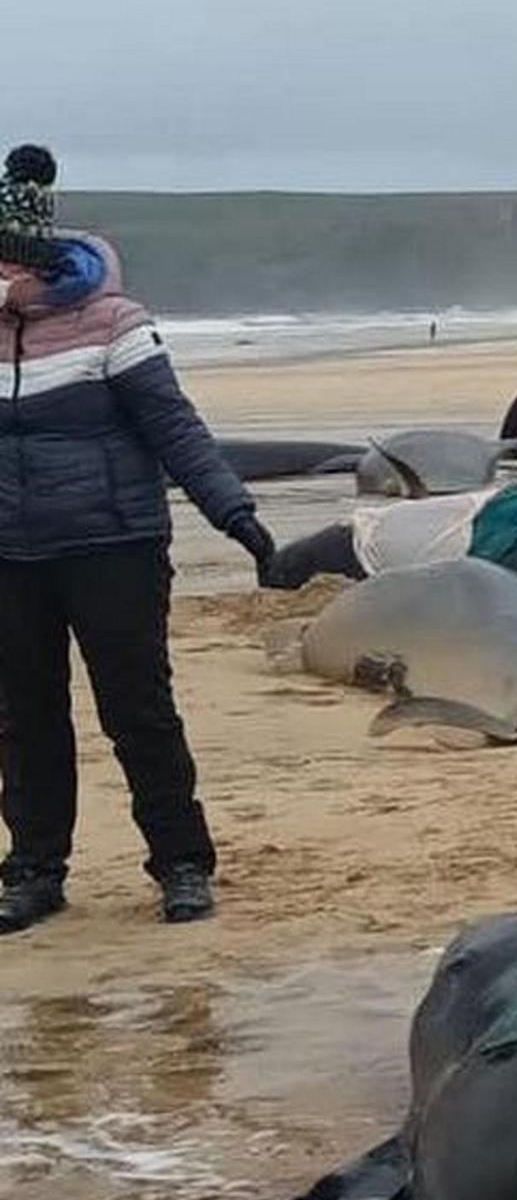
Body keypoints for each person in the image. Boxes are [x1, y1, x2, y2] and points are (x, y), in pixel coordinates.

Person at [0, 144, 279, 933]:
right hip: (11, 558)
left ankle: (182, 864)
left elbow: (174, 427)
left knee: (139, 711)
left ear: (29, 257)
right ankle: (34, 870)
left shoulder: (113, 323)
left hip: (113, 546)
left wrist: (236, 516)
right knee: (25, 718)